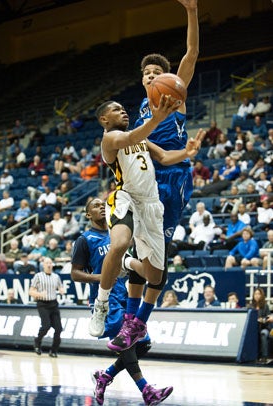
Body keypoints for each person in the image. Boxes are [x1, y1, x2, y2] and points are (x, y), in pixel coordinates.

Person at [89, 98, 203, 350]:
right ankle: (101, 303)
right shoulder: (109, 138)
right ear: (104, 120)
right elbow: (128, 140)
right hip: (125, 196)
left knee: (155, 275)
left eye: (123, 107)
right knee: (118, 243)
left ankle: (128, 263)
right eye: (116, 109)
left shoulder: (139, 136)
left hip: (152, 205)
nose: (123, 111)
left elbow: (163, 155)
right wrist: (158, 118)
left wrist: (187, 152)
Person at [71, 197, 173, 405]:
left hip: (124, 295)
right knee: (126, 346)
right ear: (88, 215)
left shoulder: (118, 233)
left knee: (142, 344)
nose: (101, 207)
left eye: (103, 205)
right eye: (96, 206)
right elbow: (75, 273)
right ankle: (146, 390)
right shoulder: (85, 239)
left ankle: (105, 376)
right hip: (105, 299)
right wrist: (103, 277)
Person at [134, 0, 199, 247]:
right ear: (142, 80)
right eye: (147, 72)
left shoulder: (174, 97)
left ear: (168, 79)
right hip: (147, 174)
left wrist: (191, 11)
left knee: (160, 245)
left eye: (157, 72)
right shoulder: (140, 109)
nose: (151, 74)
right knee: (137, 242)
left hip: (174, 172)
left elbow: (191, 54)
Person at [29, 257, 66, 357]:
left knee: (58, 328)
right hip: (42, 304)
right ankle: (37, 342)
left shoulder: (56, 277)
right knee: (46, 326)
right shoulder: (38, 276)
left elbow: (60, 287)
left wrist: (62, 290)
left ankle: (53, 350)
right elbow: (31, 291)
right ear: (43, 265)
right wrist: (40, 294)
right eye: (47, 263)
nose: (49, 265)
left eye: (50, 263)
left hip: (53, 303)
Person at [248, 288, 271, 364]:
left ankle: (264, 356)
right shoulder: (250, 306)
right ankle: (251, 356)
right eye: (255, 294)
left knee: (263, 333)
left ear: (262, 295)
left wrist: (263, 319)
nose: (257, 296)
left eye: (259, 294)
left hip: (264, 327)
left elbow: (268, 317)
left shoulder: (265, 306)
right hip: (253, 328)